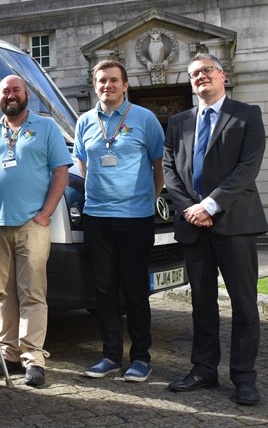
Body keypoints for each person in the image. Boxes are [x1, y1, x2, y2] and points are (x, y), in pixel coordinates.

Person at [162, 53, 268, 406]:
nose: (200, 77)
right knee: (202, 304)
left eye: (206, 71)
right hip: (194, 227)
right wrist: (190, 210)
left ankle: (244, 377)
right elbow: (169, 169)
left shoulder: (246, 115)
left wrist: (210, 205)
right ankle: (204, 369)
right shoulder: (178, 122)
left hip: (235, 224)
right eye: (194, 74)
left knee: (244, 305)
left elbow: (248, 166)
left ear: (222, 75)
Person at [0, 75, 73, 387]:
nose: (10, 95)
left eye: (16, 90)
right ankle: (9, 354)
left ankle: (33, 359)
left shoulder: (45, 128)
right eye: (5, 91)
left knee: (32, 292)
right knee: (3, 293)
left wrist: (45, 214)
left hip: (32, 224)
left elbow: (61, 172)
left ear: (26, 94)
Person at [72, 59, 165, 383]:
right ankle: (111, 355)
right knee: (105, 290)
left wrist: (145, 200)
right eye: (101, 81)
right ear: (95, 86)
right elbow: (83, 165)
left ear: (125, 85)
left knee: (135, 290)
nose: (107, 85)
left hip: (136, 219)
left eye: (113, 80)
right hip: (97, 218)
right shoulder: (85, 122)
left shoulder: (145, 119)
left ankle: (141, 358)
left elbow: (158, 168)